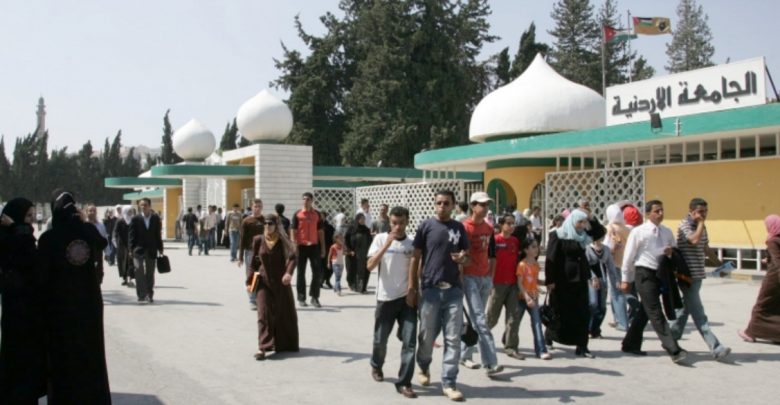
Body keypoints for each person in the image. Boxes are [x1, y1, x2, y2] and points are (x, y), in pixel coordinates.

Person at [38, 190, 110, 403]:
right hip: (89, 305)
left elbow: (41, 276)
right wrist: (83, 222)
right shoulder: (87, 231)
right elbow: (102, 243)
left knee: (62, 357)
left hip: (59, 308)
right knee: (90, 353)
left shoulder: (49, 239)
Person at [410, 189, 470, 402]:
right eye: (439, 203)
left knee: (453, 339)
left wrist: (462, 258)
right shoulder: (426, 226)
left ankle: (449, 382)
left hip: (453, 291)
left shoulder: (459, 228)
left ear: (453, 205)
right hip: (431, 291)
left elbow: (467, 257)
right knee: (427, 337)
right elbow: (416, 257)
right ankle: (423, 365)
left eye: (446, 203)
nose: (442, 206)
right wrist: (413, 287)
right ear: (434, 204)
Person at [620, 200, 688, 363]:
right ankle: (673, 348)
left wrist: (671, 253)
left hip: (660, 274)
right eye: (657, 211)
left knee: (645, 311)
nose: (660, 214)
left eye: (662, 210)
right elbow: (628, 256)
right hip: (644, 273)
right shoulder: (638, 232)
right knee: (655, 311)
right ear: (648, 213)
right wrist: (625, 279)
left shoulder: (667, 232)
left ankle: (630, 343)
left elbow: (675, 251)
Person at [670, 198, 731, 360]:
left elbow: (705, 247)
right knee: (699, 313)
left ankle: (670, 339)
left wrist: (720, 265)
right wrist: (701, 223)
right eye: (701, 212)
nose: (704, 214)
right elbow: (694, 240)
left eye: (706, 211)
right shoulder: (684, 225)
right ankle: (716, 347)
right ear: (691, 212)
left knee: (685, 309)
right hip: (686, 276)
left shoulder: (701, 226)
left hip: (698, 275)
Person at [367, 206, 418, 399]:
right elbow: (370, 266)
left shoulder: (412, 242)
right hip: (385, 298)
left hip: (407, 299)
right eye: (394, 223)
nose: (398, 227)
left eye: (402, 223)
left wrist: (415, 292)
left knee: (410, 343)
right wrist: (386, 245)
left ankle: (404, 382)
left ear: (407, 222)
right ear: (389, 221)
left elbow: (417, 269)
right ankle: (376, 365)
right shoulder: (380, 239)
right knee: (380, 340)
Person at [0, 198, 47, 403]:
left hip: (28, 307)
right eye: (27, 216)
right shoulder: (10, 237)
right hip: (16, 306)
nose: (30, 220)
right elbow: (27, 256)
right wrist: (16, 229)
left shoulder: (19, 235)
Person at [544, 209, 604, 358]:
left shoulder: (583, 236)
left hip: (581, 279)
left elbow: (599, 232)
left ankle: (582, 346)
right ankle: (550, 336)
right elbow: (550, 259)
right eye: (579, 222)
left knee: (582, 312)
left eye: (584, 222)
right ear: (572, 221)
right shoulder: (558, 235)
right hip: (562, 280)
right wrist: (550, 280)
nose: (582, 225)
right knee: (559, 311)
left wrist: (591, 218)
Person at [459, 191, 502, 375]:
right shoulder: (464, 227)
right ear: (473, 206)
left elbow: (492, 254)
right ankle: (490, 363)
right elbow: (459, 255)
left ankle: (465, 355)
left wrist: (491, 278)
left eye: (487, 205)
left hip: (484, 278)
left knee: (476, 320)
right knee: (481, 320)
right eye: (482, 204)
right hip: (469, 278)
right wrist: (460, 279)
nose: (485, 208)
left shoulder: (489, 228)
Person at [249, 214, 299, 360]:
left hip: (281, 282)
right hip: (263, 282)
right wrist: (249, 281)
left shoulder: (283, 241)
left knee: (283, 313)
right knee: (263, 313)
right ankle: (262, 347)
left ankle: (284, 343)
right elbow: (253, 263)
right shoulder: (258, 240)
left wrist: (288, 273)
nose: (267, 226)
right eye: (265, 223)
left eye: (270, 223)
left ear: (276, 225)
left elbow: (293, 257)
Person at [486, 214, 523, 360]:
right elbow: (488, 261)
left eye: (513, 223)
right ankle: (475, 340)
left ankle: (511, 347)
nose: (511, 226)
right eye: (508, 223)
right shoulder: (495, 240)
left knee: (513, 317)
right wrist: (488, 281)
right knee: (491, 317)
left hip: (513, 284)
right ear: (501, 225)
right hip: (497, 284)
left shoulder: (515, 241)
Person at [740, 214, 780, 343]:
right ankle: (776, 335)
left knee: (761, 305)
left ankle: (750, 332)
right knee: (775, 306)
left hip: (774, 278)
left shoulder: (772, 240)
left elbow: (778, 261)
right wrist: (768, 259)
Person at [517, 236, 552, 360]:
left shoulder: (536, 265)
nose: (536, 249)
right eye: (533, 247)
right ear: (526, 250)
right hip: (522, 298)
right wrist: (526, 297)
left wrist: (546, 283)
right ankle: (508, 340)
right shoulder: (522, 265)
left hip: (534, 297)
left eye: (537, 246)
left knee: (537, 323)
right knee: (515, 323)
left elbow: (535, 280)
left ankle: (541, 350)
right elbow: (520, 283)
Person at [290, 192, 326, 308]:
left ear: (312, 201)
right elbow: (293, 230)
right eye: (304, 199)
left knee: (317, 272)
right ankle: (301, 298)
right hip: (301, 247)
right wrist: (294, 245)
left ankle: (315, 297)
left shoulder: (317, 214)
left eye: (308, 199)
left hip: (314, 246)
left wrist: (323, 248)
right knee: (301, 273)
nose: (305, 201)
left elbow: (320, 232)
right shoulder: (297, 214)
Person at [129, 197, 164, 304]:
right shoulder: (135, 219)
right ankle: (141, 294)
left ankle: (149, 294)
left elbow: (158, 234)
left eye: (145, 205)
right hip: (138, 249)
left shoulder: (155, 218)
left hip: (151, 249)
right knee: (138, 269)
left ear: (150, 206)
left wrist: (160, 248)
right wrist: (130, 249)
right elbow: (131, 235)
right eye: (141, 205)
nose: (143, 207)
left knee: (150, 272)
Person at [603, 203, 632, 331]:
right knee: (619, 291)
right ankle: (617, 318)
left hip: (614, 262)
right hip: (626, 263)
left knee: (617, 292)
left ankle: (622, 322)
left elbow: (606, 247)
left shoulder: (610, 228)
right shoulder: (627, 228)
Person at [239, 199, 265, 309]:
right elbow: (242, 239)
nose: (257, 208)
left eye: (259, 206)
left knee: (262, 275)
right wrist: (240, 257)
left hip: (263, 251)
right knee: (251, 276)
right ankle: (252, 300)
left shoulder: (265, 220)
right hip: (250, 252)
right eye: (255, 206)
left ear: (262, 207)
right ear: (252, 207)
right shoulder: (246, 221)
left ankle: (261, 298)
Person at [585, 236, 612, 339]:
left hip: (603, 279)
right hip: (591, 280)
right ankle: (587, 328)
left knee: (602, 307)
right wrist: (593, 277)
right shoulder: (587, 249)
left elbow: (611, 266)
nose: (598, 238)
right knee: (593, 303)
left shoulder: (606, 249)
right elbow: (585, 265)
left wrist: (617, 280)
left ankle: (595, 329)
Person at [347, 213, 372, 294]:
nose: (363, 220)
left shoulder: (366, 230)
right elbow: (346, 241)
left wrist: (370, 252)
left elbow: (370, 241)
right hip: (353, 254)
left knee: (364, 270)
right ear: (357, 219)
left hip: (364, 254)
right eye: (361, 219)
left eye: (364, 219)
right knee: (353, 270)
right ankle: (353, 285)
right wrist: (349, 250)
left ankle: (362, 287)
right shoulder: (351, 229)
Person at [113, 205, 135, 286]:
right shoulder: (120, 221)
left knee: (130, 261)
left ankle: (130, 279)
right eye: (129, 211)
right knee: (123, 261)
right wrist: (115, 241)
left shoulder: (134, 221)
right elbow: (115, 232)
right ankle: (124, 278)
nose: (130, 212)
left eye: (131, 211)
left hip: (131, 244)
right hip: (122, 245)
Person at [321, 212, 335, 290]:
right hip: (319, 248)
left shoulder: (330, 227)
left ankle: (327, 280)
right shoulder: (316, 226)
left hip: (329, 248)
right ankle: (321, 281)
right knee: (321, 266)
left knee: (330, 265)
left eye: (323, 216)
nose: (321, 218)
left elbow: (333, 237)